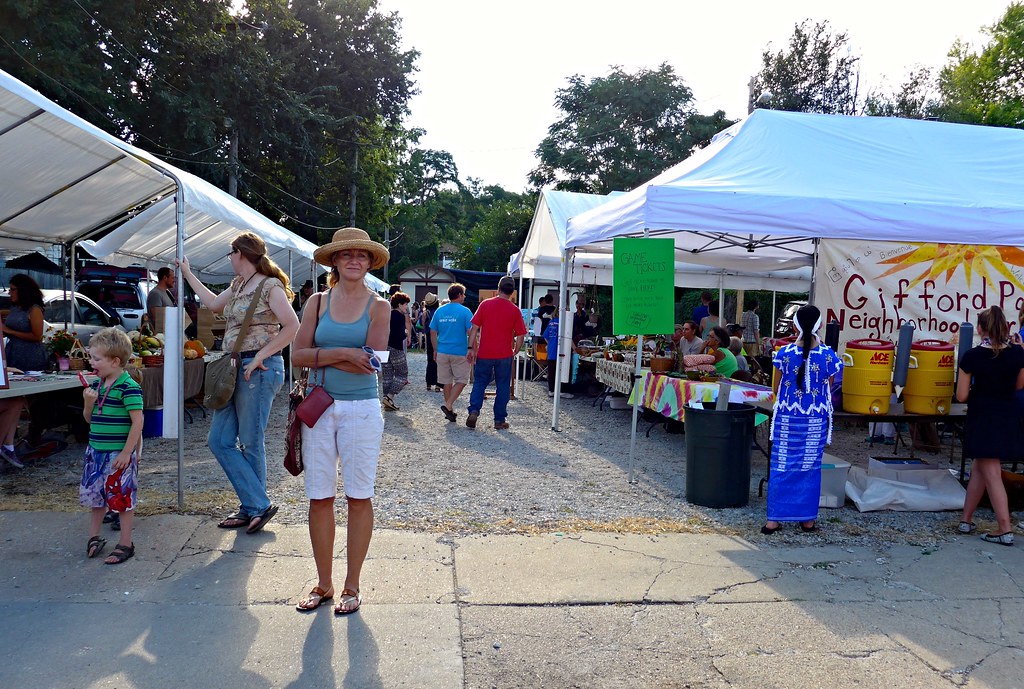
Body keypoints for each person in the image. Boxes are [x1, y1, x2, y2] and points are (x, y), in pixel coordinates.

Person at [292, 227, 390, 615]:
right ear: (334, 260)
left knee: (359, 495)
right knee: (319, 495)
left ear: (369, 263)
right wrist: (347, 351)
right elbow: (297, 355)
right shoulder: (316, 302)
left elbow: (374, 362)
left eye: (361, 256)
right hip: (319, 406)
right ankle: (324, 583)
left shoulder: (378, 306)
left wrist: (327, 353)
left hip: (360, 410)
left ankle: (352, 585)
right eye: (346, 254)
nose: (354, 260)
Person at [177, 232, 299, 534]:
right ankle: (256, 504)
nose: (229, 258)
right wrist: (187, 273)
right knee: (219, 440)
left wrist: (261, 356)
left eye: (231, 253)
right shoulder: (238, 284)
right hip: (235, 368)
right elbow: (213, 305)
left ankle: (253, 507)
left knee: (250, 440)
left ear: (240, 254)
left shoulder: (270, 285)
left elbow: (293, 325)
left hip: (259, 369)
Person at [763, 304, 842, 535]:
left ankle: (774, 520)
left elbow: (775, 387)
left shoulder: (783, 353)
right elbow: (828, 389)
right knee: (809, 467)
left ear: (795, 324)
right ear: (819, 324)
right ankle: (807, 520)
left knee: (781, 465)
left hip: (787, 418)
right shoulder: (828, 355)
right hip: (814, 421)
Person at [956, 306, 1024, 546]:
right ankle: (966, 519)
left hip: (983, 415)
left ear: (980, 329)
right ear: (1006, 327)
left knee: (991, 470)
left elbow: (962, 395)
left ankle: (1005, 529)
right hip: (1007, 415)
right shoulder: (1017, 354)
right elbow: (1019, 385)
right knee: (980, 466)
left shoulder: (972, 356)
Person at [80, 328, 144, 565]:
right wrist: (88, 404)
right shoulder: (97, 385)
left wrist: (128, 452)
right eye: (91, 357)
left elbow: (138, 422)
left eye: (96, 359)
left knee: (122, 499)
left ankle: (126, 543)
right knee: (96, 498)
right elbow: (90, 420)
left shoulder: (128, 387)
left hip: (118, 454)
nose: (91, 362)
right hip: (95, 452)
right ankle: (94, 537)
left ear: (115, 361)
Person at [466, 276, 527, 430]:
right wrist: (516, 350)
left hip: (485, 352)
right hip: (504, 354)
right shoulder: (515, 310)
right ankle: (499, 420)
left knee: (479, 382)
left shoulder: (485, 304)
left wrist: (470, 348)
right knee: (503, 386)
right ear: (512, 291)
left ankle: (474, 410)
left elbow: (474, 328)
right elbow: (520, 335)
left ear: (498, 289)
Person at [430, 283, 473, 422]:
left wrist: (435, 349)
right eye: (463, 294)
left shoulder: (439, 311)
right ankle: (448, 405)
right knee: (462, 380)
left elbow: (432, 332)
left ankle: (450, 410)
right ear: (459, 295)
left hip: (442, 350)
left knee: (446, 381)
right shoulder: (465, 311)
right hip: (459, 351)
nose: (464, 297)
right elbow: (470, 332)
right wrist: (473, 349)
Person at [3, 274, 47, 372]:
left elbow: (37, 336)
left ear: (23, 290)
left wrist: (10, 331)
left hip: (30, 356)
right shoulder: (15, 308)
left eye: (12, 289)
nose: (10, 293)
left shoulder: (34, 309)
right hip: (13, 353)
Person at [381, 291, 411, 411]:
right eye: (405, 304)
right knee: (402, 373)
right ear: (399, 304)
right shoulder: (399, 316)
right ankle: (389, 396)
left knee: (387, 374)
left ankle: (386, 400)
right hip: (396, 348)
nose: (406, 307)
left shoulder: (387, 314)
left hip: (384, 347)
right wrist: (406, 333)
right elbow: (399, 335)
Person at [544, 315, 577, 399]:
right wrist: (575, 348)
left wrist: (550, 344)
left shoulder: (551, 322)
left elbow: (546, 336)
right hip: (562, 350)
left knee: (551, 371)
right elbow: (568, 337)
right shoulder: (564, 323)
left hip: (551, 350)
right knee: (564, 370)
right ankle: (563, 391)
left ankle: (551, 390)